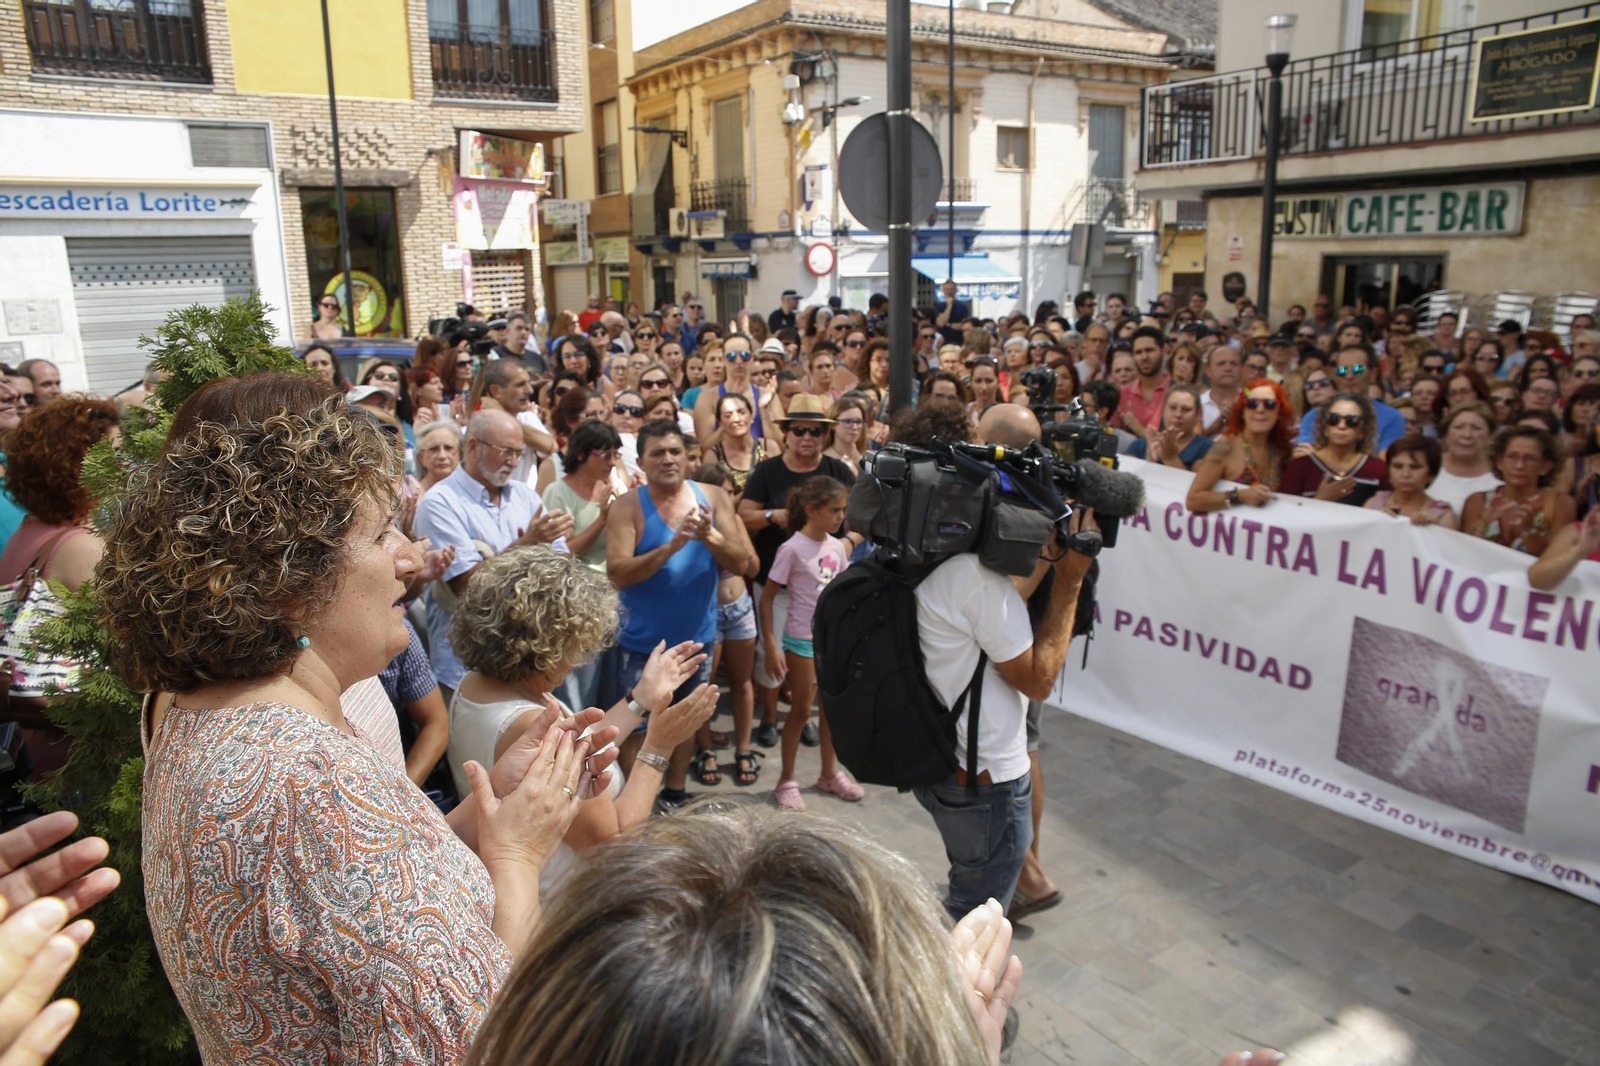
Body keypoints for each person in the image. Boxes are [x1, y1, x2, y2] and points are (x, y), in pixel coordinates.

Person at [105, 394, 613, 1063]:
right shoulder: (313, 779)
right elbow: (475, 1040)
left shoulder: (214, 716)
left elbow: (360, 892)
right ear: (288, 580)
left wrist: (491, 814)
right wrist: (517, 858)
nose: (409, 559)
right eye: (380, 536)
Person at [914, 403, 1096, 922]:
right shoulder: (976, 577)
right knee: (979, 918)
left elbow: (991, 607)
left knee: (971, 883)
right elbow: (1037, 679)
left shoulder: (923, 543)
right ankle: (958, 997)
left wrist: (1044, 559)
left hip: (936, 752)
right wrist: (1072, 579)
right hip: (986, 778)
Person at [445, 544, 716, 889]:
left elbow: (582, 745)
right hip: (562, 902)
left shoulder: (477, 684)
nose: (580, 662)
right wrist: (658, 749)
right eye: (577, 646)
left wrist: (640, 699)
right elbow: (614, 848)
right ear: (547, 646)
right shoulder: (534, 727)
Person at [605, 420, 756, 806]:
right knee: (637, 728)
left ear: (688, 458)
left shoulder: (713, 498)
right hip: (641, 646)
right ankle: (637, 807)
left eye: (675, 451)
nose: (668, 460)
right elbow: (618, 574)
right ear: (641, 461)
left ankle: (674, 794)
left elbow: (743, 564)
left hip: (696, 641)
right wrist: (669, 549)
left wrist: (710, 536)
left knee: (685, 723)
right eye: (657, 453)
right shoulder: (627, 506)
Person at [414, 409, 574, 702]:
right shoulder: (440, 502)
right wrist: (528, 544)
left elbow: (562, 565)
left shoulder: (524, 496)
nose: (513, 462)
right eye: (505, 452)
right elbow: (469, 586)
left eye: (518, 452)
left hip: (528, 661)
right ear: (473, 446)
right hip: (466, 669)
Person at [0, 396, 119, 772]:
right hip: (75, 747)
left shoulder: (30, 529)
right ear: (78, 468)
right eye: (114, 457)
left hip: (32, 736)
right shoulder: (80, 547)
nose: (124, 468)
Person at [738, 396, 858, 749]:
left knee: (818, 651)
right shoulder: (768, 470)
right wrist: (773, 515)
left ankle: (802, 715)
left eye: (815, 431)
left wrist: (848, 542)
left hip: (823, 584)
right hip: (775, 579)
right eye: (799, 430)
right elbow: (743, 513)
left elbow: (868, 516)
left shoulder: (839, 472)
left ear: (825, 434)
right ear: (787, 434)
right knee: (769, 653)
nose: (807, 437)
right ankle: (771, 717)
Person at [763, 476, 861, 810]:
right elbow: (767, 598)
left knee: (831, 710)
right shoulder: (791, 548)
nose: (840, 516)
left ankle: (829, 774)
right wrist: (772, 645)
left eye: (843, 510)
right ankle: (786, 778)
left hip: (832, 641)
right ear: (810, 510)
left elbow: (843, 593)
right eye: (834, 509)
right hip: (801, 640)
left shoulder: (836, 546)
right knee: (802, 711)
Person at [1463, 426, 1574, 556]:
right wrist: (1484, 523)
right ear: (1499, 461)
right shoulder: (1477, 500)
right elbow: (1464, 553)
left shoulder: (1561, 503)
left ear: (1546, 466)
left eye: (1530, 458)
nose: (1519, 465)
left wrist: (1528, 530)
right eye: (1512, 456)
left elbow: (1555, 559)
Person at [1187, 380, 1296, 512]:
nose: (1260, 409)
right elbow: (1193, 500)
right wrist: (1241, 496)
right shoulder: (1225, 447)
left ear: (1279, 413)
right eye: (1252, 404)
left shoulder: (1281, 451)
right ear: (1242, 412)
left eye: (1269, 404)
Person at [1280, 392, 1391, 505]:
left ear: (1363, 431)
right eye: (1334, 419)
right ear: (1324, 426)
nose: (1341, 426)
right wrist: (1321, 499)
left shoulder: (1379, 469)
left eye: (1352, 421)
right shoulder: (1300, 466)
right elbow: (1285, 514)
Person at [1297, 344, 1405, 451]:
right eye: (1342, 370)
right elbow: (1305, 456)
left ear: (1373, 374)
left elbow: (1386, 461)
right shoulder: (1314, 417)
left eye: (1357, 369)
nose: (1349, 376)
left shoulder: (1392, 418)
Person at [1366, 434, 1457, 529]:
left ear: (1431, 474)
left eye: (1415, 467)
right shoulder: (1373, 504)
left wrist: (1436, 528)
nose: (1405, 474)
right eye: (1398, 466)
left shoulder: (1443, 516)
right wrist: (1375, 520)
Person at [1428, 401, 1500, 514]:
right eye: (1458, 427)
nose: (1467, 435)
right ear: (1446, 434)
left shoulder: (1501, 471)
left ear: (1490, 435)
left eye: (1476, 428)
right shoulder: (1429, 464)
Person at [693, 334, 767, 445]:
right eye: (731, 356)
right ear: (723, 360)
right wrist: (729, 419)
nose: (738, 361)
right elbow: (704, 448)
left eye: (744, 355)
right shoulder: (707, 398)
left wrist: (764, 410)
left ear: (751, 358)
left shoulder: (766, 395)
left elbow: (780, 444)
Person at [1126, 386, 1212, 470]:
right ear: (1163, 411)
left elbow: (1197, 483)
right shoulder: (1142, 444)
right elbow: (1125, 478)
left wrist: (1170, 458)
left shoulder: (1207, 449)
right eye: (1173, 407)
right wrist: (1150, 461)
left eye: (1186, 409)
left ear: (1197, 415)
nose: (1178, 414)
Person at [1116, 326, 1171, 437]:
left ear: (1163, 351)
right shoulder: (1122, 394)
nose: (1144, 357)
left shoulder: (1176, 391)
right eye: (1138, 352)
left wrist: (1137, 428)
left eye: (1149, 350)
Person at [1199, 345, 1242, 436]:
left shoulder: (1250, 400)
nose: (1228, 369)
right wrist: (1213, 427)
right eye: (1221, 364)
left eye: (1234, 364)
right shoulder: (1197, 403)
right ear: (1208, 371)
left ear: (1241, 369)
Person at [934, 279, 971, 346]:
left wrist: (948, 325)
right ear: (943, 291)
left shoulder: (963, 306)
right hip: (943, 341)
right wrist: (949, 306)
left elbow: (963, 326)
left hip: (959, 341)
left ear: (955, 290)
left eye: (951, 289)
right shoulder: (939, 306)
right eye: (947, 289)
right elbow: (941, 323)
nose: (949, 292)